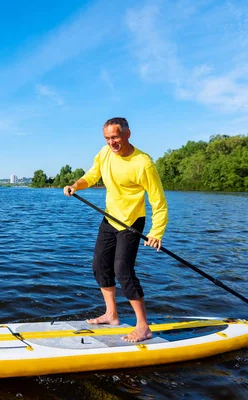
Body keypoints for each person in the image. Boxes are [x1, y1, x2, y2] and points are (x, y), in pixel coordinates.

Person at [64, 117, 168, 342]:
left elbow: (158, 201)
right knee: (99, 265)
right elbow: (92, 175)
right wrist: (75, 186)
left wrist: (156, 232)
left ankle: (143, 326)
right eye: (107, 138)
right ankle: (111, 314)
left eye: (115, 137)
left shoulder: (143, 163)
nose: (112, 142)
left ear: (128, 134)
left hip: (132, 222)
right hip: (110, 219)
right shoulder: (104, 153)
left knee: (122, 269)